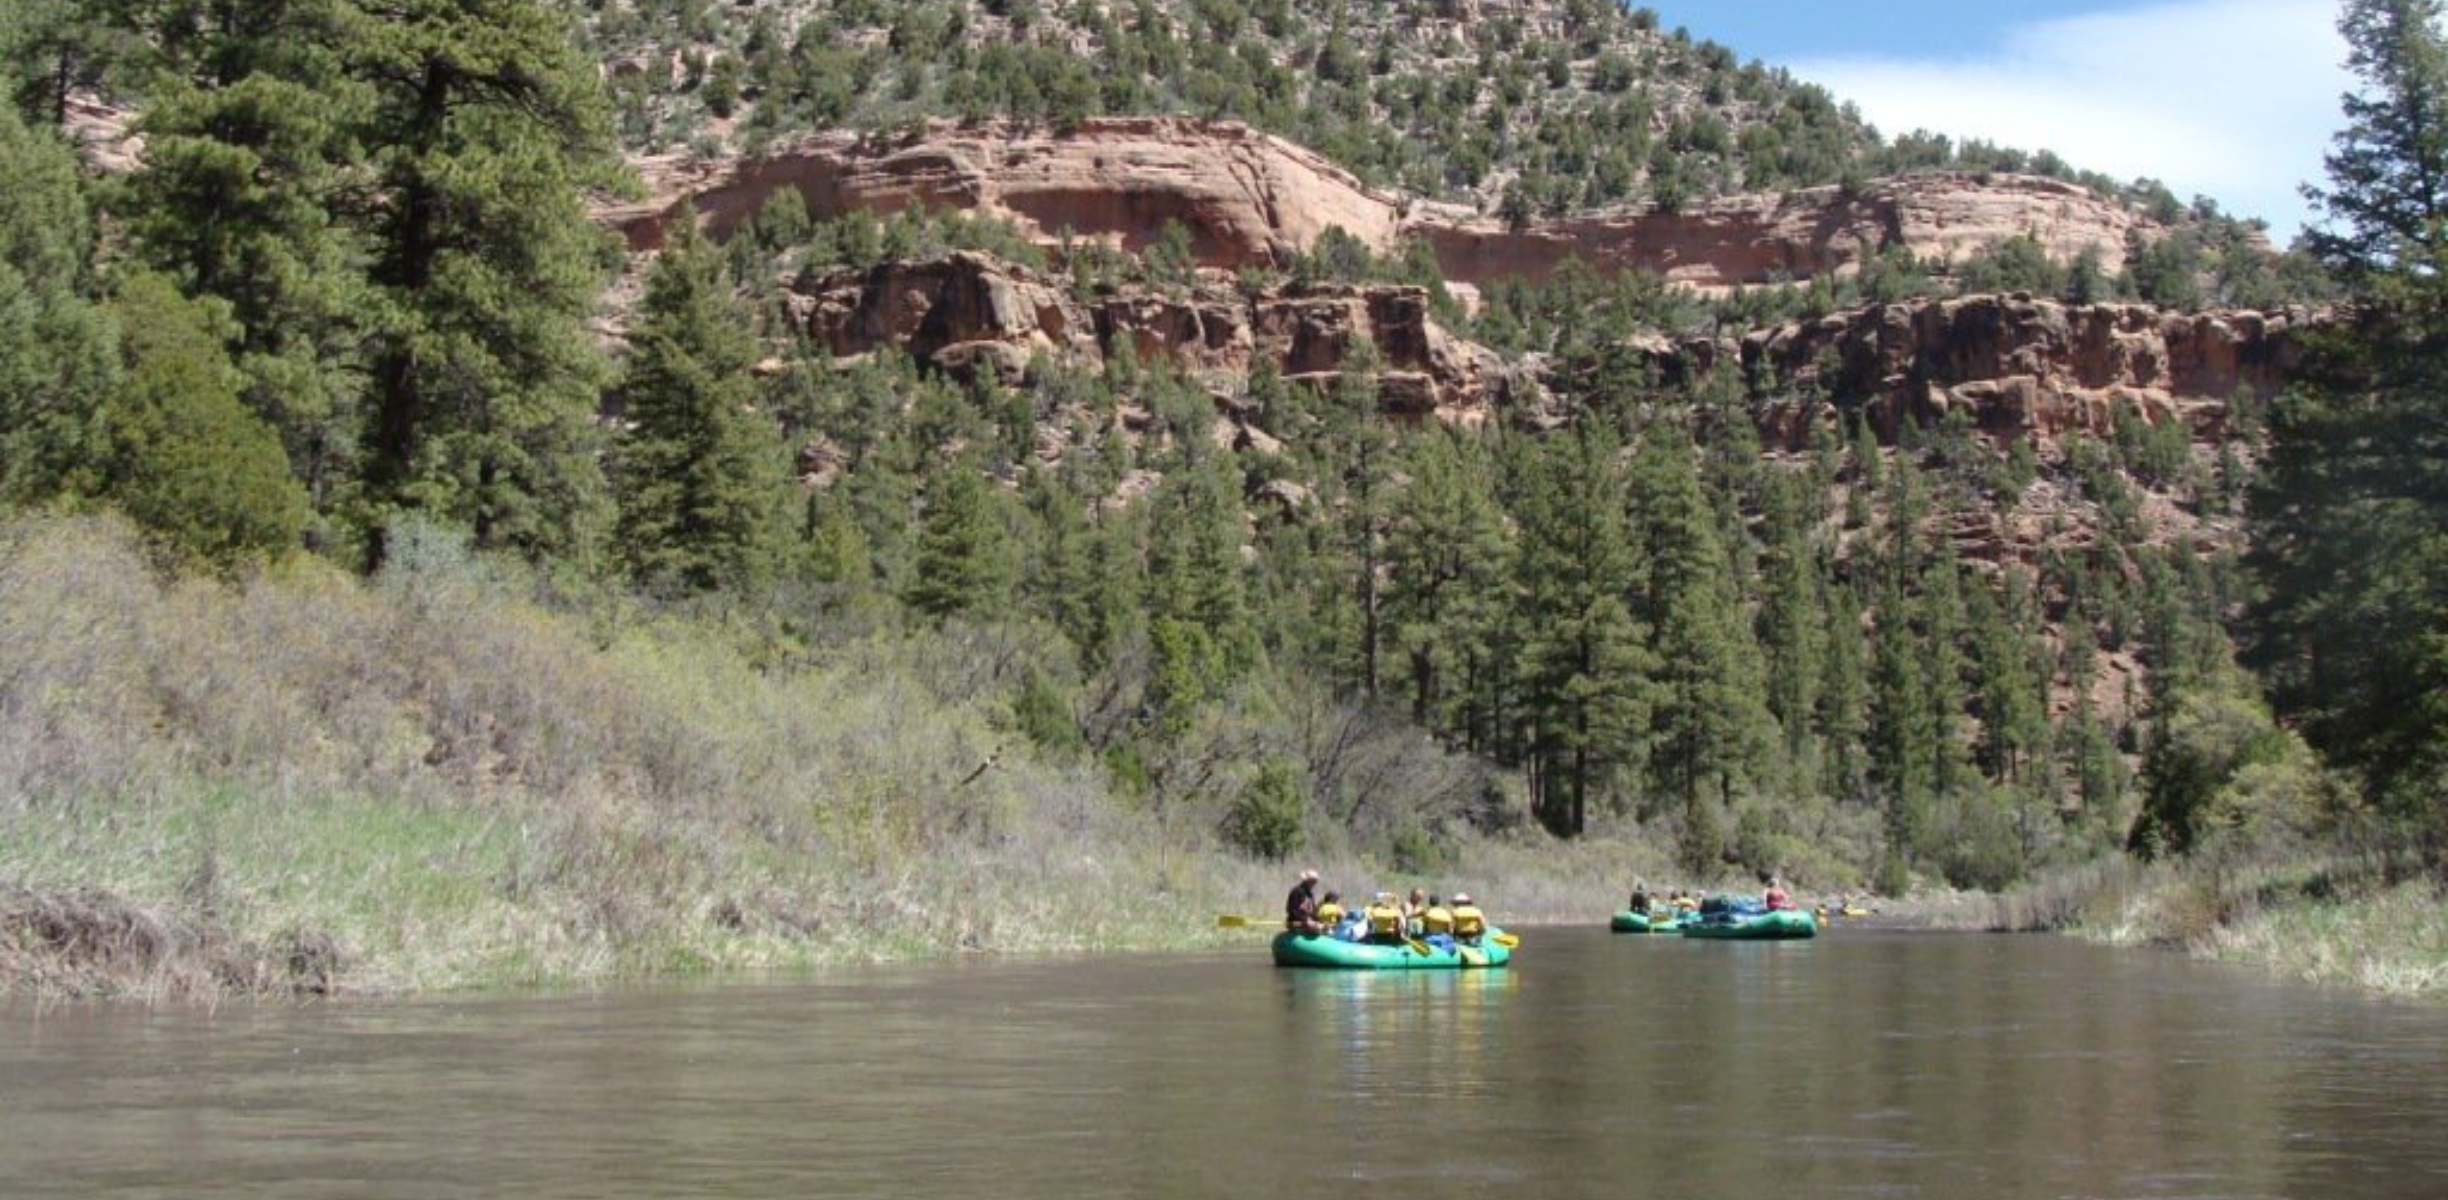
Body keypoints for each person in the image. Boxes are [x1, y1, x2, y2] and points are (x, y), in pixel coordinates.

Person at [1285, 869, 1322, 933]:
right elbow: (1291, 910)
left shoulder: (1310, 894)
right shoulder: (1296, 891)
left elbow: (1313, 911)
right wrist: (1305, 920)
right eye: (1312, 881)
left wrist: (1318, 920)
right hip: (1296, 922)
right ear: (1306, 881)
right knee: (1316, 928)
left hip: (1308, 921)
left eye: (1315, 882)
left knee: (1323, 928)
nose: (1314, 884)